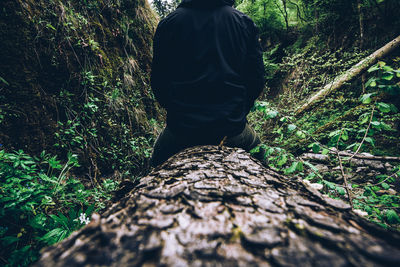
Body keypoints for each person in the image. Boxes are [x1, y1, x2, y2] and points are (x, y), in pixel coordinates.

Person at [150, 0, 265, 167]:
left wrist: (178, 111)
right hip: (231, 129)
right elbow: (256, 79)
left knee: (155, 162)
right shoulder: (243, 22)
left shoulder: (169, 23)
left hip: (181, 130)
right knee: (260, 154)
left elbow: (159, 81)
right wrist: (238, 111)